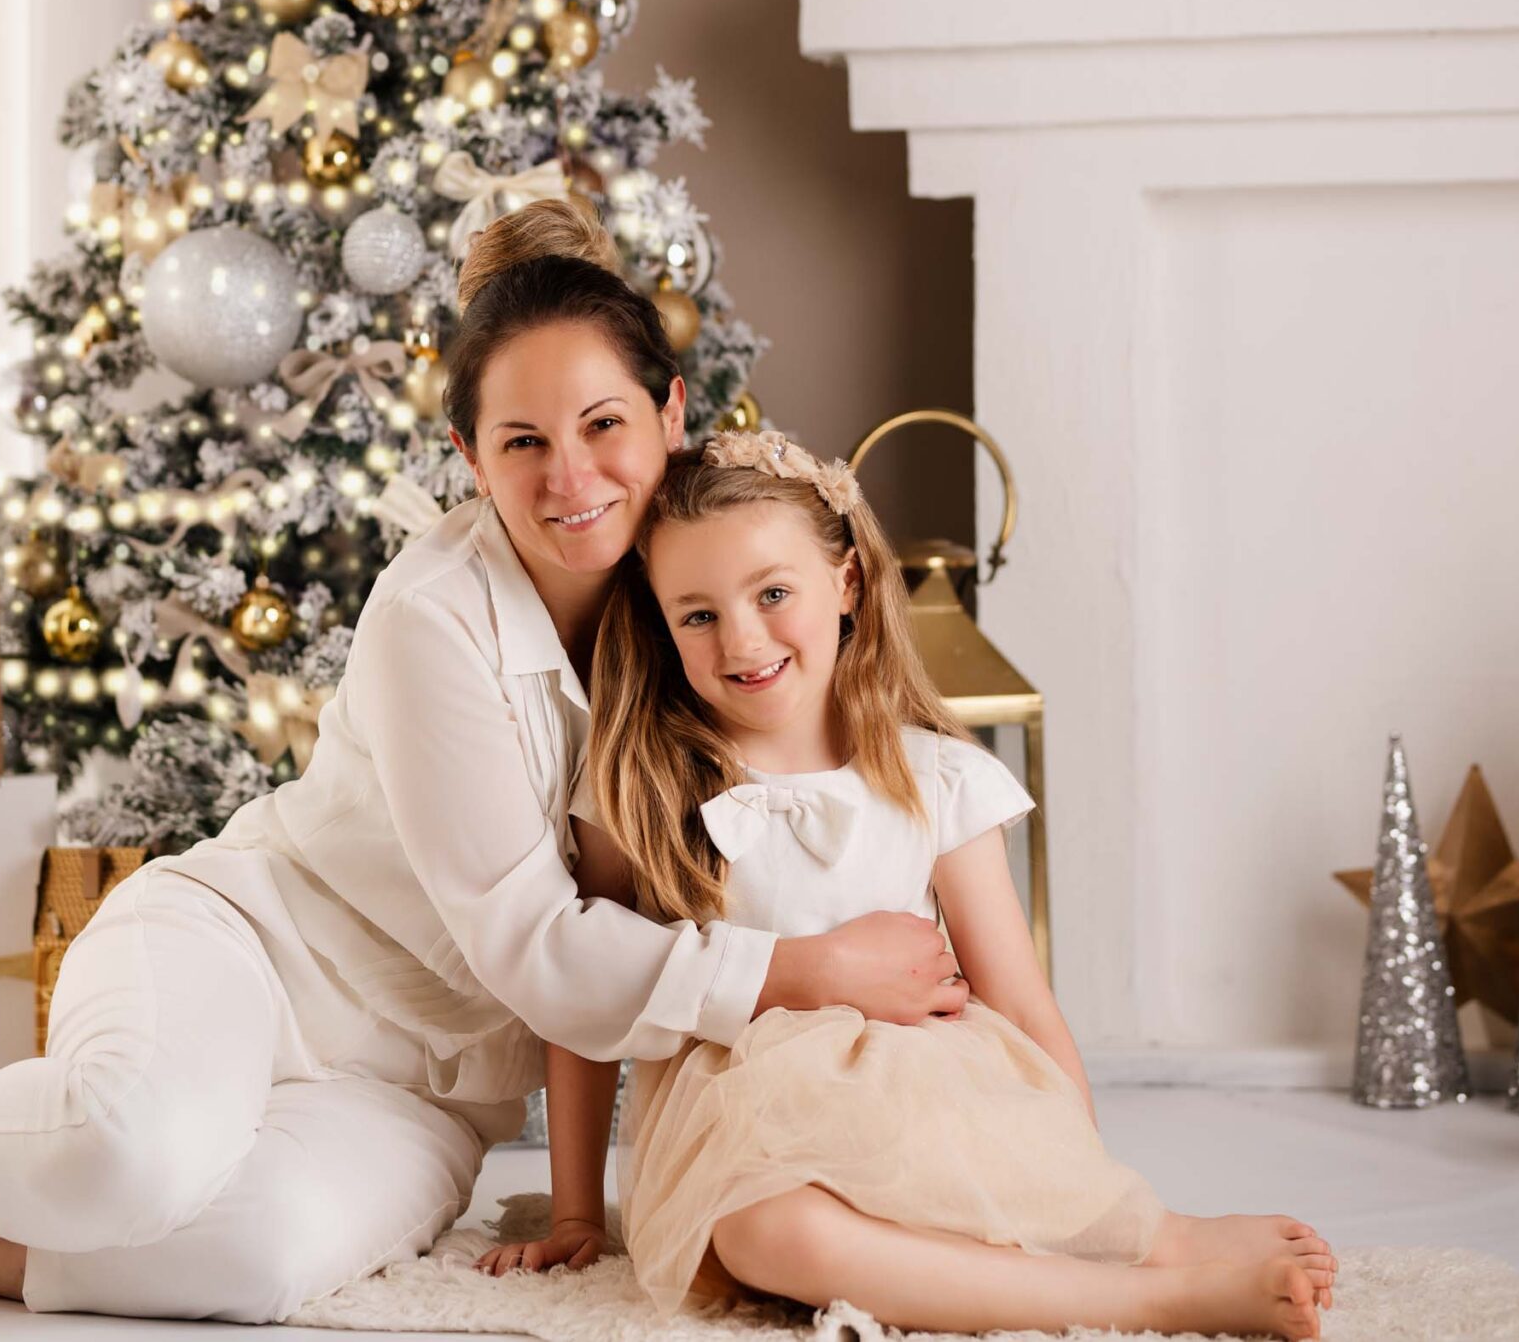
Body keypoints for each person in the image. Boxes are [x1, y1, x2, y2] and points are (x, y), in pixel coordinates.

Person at [0, 201, 971, 1316]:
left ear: (671, 416)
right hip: (254, 950)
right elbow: (536, 944)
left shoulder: (697, 607)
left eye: (605, 426)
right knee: (129, 1149)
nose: (571, 476)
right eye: (522, 443)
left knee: (255, 1259)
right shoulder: (433, 611)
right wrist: (806, 969)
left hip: (424, 1090)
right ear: (468, 456)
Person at [479, 432, 1337, 1340]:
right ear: (660, 625)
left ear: (845, 584)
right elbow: (582, 996)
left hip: (925, 1105)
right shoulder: (642, 785)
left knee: (947, 1197)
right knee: (773, 1234)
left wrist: (1093, 1193)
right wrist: (578, 1212)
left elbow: (1019, 999)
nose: (743, 638)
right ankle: (1158, 1302)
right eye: (696, 615)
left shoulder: (931, 777)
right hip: (739, 1145)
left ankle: (1153, 1246)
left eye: (774, 594)